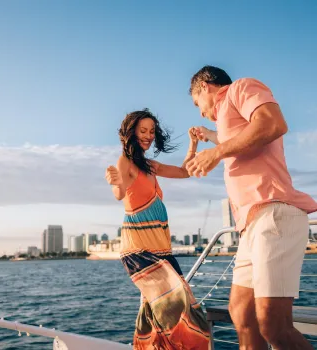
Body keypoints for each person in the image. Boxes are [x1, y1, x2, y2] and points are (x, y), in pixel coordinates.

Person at [186, 65, 317, 350]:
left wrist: (216, 152)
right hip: (251, 225)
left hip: (274, 213)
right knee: (242, 314)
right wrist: (209, 135)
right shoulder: (226, 120)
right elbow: (239, 137)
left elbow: (272, 124)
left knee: (274, 326)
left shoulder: (241, 87)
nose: (200, 111)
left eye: (198, 104)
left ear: (205, 87)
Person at [105, 109, 209, 350]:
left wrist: (193, 143)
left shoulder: (150, 166)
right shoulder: (125, 162)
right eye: (143, 130)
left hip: (161, 251)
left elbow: (184, 172)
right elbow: (119, 193)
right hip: (140, 252)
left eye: (152, 131)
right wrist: (115, 182)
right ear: (131, 132)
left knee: (155, 318)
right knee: (182, 312)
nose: (149, 135)